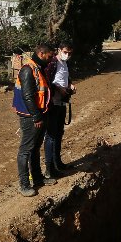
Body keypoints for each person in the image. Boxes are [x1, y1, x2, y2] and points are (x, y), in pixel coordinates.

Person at [12, 44, 57, 197]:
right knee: (26, 150)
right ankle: (24, 184)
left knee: (35, 148)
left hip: (39, 113)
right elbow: (27, 96)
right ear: (41, 53)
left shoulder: (39, 68)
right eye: (49, 56)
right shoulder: (27, 70)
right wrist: (36, 116)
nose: (51, 59)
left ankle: (38, 179)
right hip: (30, 116)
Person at [44, 42, 76, 177]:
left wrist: (70, 86)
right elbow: (47, 82)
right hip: (53, 103)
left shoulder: (64, 64)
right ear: (59, 50)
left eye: (69, 53)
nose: (67, 55)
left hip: (62, 102)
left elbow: (64, 79)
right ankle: (49, 170)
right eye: (65, 52)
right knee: (51, 136)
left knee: (59, 134)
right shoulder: (52, 63)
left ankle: (58, 163)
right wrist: (60, 89)